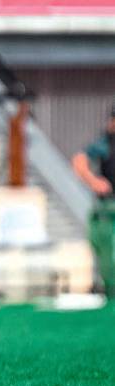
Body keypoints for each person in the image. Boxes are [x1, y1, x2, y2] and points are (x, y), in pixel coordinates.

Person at [72, 105, 115, 302]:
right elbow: (79, 160)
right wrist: (94, 181)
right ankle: (109, 290)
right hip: (108, 207)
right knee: (105, 251)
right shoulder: (105, 144)